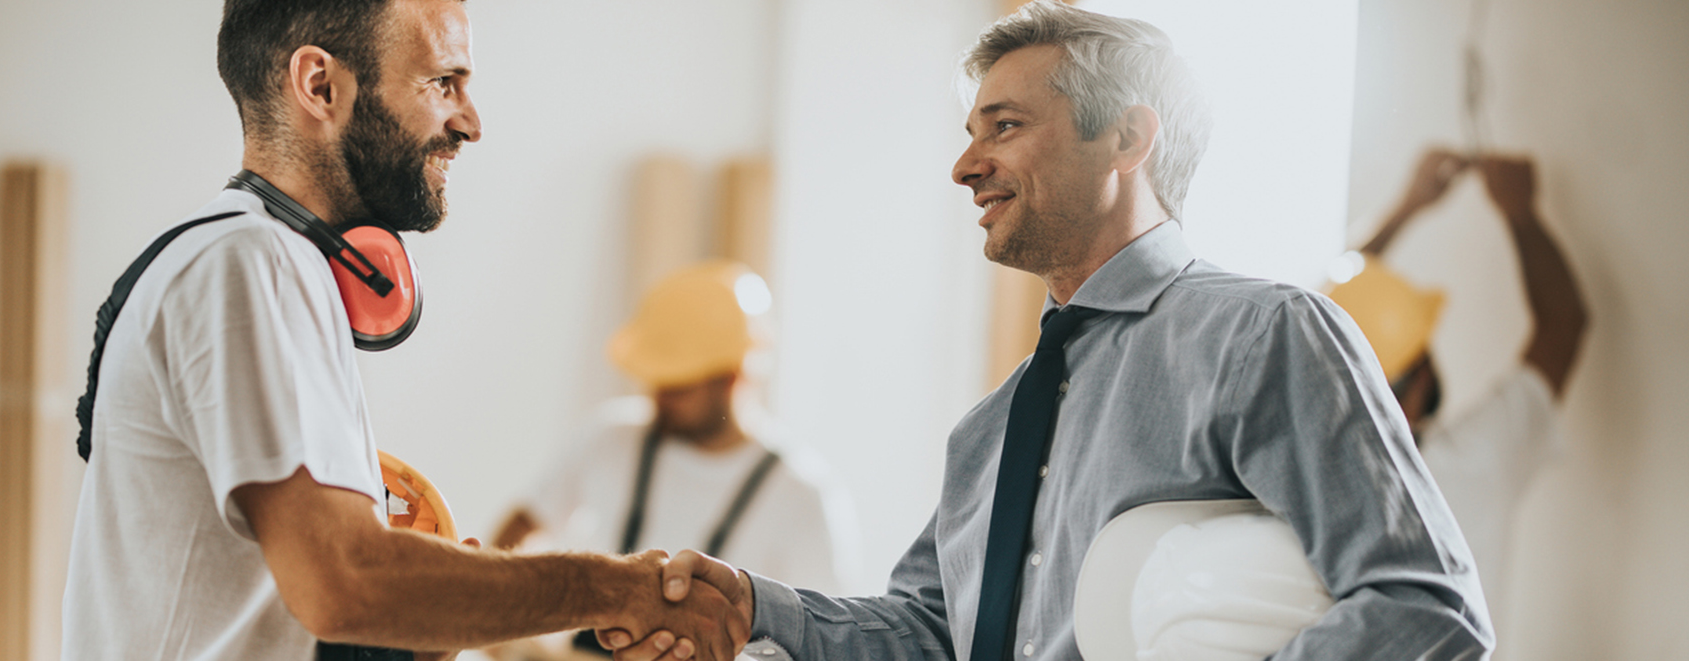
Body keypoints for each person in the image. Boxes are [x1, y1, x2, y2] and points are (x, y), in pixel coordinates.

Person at [603, 2, 1493, 659]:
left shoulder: (1260, 338)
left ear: (1127, 139)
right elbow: (931, 629)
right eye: (969, 132)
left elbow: (1423, 608)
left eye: (1006, 126)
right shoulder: (991, 427)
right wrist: (756, 608)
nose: (964, 165)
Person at [60, 2, 746, 660]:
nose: (470, 122)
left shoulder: (269, 260)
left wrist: (407, 631)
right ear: (320, 85)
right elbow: (344, 582)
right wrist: (614, 590)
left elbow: (276, 608)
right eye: (443, 82)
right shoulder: (246, 264)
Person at [488, 261, 858, 658]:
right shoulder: (610, 438)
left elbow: (821, 648)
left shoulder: (800, 496)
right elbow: (519, 529)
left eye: (678, 386)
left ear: (734, 377)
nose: (658, 397)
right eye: (656, 380)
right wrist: (518, 642)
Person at [1332, 148, 1589, 620]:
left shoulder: (1290, 470)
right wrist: (1522, 213)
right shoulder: (1467, 466)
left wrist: (1404, 207)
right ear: (1420, 385)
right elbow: (1563, 326)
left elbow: (1316, 320)